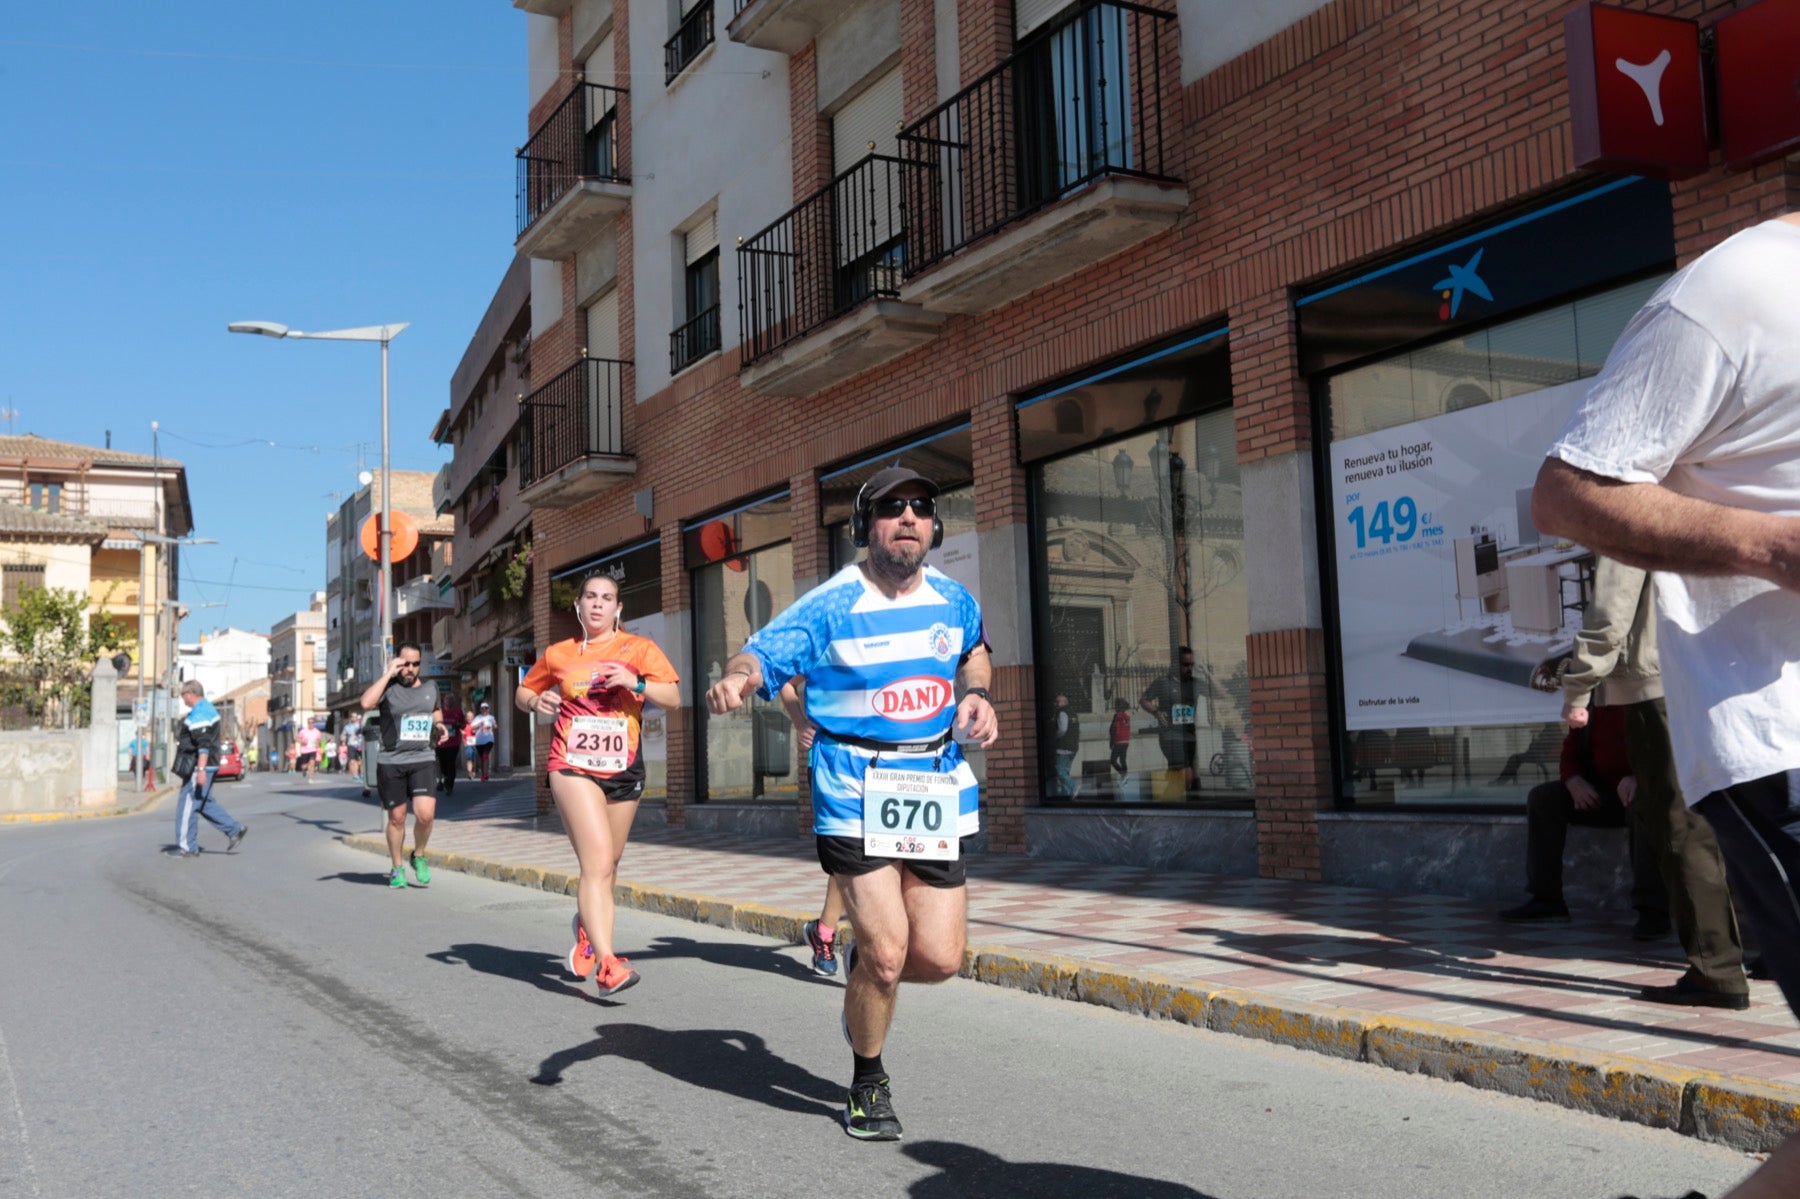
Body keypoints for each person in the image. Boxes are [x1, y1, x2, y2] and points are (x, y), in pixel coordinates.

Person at [1532, 210, 1800, 1199]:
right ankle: (1711, 962)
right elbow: (1568, 494)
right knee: (1667, 834)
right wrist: (1775, 547)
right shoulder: (1732, 294)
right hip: (1778, 735)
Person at [706, 466, 998, 1142]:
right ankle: (868, 1078)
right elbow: (759, 655)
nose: (907, 518)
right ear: (866, 526)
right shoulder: (832, 603)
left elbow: (974, 651)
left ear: (934, 525)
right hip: (850, 787)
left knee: (941, 958)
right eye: (891, 508)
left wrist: (978, 694)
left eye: (920, 508)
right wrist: (734, 679)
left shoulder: (953, 598)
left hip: (931, 784)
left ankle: (864, 975)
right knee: (892, 953)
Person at [1562, 556, 1747, 1007]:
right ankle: (1755, 953)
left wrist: (1578, 686)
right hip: (1729, 674)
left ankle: (1716, 969)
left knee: (1680, 825)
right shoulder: (1709, 491)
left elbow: (1610, 606)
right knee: (1740, 815)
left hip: (1660, 683)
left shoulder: (1634, 498)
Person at [516, 571, 679, 998]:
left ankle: (587, 929)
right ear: (578, 605)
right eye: (590, 597)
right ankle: (609, 963)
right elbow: (522, 693)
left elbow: (674, 698)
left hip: (624, 768)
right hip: (571, 763)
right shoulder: (558, 654)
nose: (597, 604)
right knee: (598, 862)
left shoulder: (638, 649)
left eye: (607, 598)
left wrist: (636, 682)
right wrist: (536, 700)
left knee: (610, 866)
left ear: (618, 608)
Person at [1495, 706, 1667, 935]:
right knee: (1544, 798)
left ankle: (1653, 911)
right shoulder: (1595, 702)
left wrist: (1642, 777)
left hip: (1648, 790)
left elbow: (1671, 747)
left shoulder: (1651, 697)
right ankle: (1547, 900)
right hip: (1602, 794)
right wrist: (1573, 780)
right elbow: (1572, 748)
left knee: (1642, 805)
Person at [359, 642, 442, 889]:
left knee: (425, 815)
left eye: (415, 664)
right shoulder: (388, 688)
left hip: (423, 758)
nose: (411, 669)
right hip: (391, 761)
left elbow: (436, 712)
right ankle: (397, 867)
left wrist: (439, 726)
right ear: (398, 663)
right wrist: (387, 673)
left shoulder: (430, 687)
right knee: (396, 818)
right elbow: (366, 703)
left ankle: (418, 855)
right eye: (406, 663)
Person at [781, 678, 846, 977]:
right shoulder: (825, 639)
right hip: (831, 764)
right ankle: (825, 932)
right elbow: (785, 683)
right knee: (847, 854)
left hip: (885, 764)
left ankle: (844, 934)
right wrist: (800, 722)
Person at [1138, 647, 1234, 795]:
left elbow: (1222, 694)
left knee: (1178, 773)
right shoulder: (1163, 682)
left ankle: (1170, 801)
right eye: (1186, 664)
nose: (1189, 668)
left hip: (1189, 735)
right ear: (1175, 664)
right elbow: (1144, 700)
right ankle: (1173, 799)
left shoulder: (1193, 683)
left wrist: (1206, 672)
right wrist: (1156, 712)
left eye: (1191, 664)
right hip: (1170, 735)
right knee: (1185, 772)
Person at [171, 680, 247, 857]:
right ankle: (234, 830)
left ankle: (186, 847)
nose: (184, 701)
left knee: (187, 806)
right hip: (205, 765)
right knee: (204, 803)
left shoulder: (201, 713)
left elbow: (203, 744)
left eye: (184, 696)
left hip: (199, 766)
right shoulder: (204, 710)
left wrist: (201, 770)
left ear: (190, 694)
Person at [435, 691, 467, 794]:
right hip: (440, 743)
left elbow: (463, 725)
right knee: (443, 763)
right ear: (444, 701)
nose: (449, 701)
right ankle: (445, 777)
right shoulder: (439, 712)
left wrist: (459, 725)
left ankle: (449, 784)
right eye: (447, 699)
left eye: (451, 699)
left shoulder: (458, 712)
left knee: (451, 762)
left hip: (453, 743)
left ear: (454, 701)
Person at [1050, 693, 1079, 798]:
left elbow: (1062, 729)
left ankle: (1073, 785)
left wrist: (1055, 737)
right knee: (1065, 772)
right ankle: (1067, 795)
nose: (1055, 704)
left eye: (1057, 702)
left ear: (1063, 702)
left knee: (1061, 772)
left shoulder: (1062, 713)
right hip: (1073, 748)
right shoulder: (1073, 713)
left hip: (1063, 748)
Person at [470, 701, 498, 781]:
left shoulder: (491, 717)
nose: (484, 710)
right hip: (479, 740)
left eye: (486, 708)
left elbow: (495, 726)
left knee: (485, 755)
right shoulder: (478, 718)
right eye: (482, 708)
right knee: (481, 758)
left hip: (489, 739)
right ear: (480, 709)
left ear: (488, 709)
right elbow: (472, 727)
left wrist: (491, 726)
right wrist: (479, 725)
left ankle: (486, 773)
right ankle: (483, 774)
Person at [1108, 698, 1131, 780]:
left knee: (1113, 760)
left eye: (1115, 705)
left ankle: (1124, 775)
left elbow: (1114, 729)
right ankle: (1125, 777)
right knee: (1123, 760)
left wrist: (1111, 742)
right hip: (1126, 741)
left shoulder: (1117, 716)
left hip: (1118, 741)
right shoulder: (1126, 717)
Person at [295, 720, 323, 784]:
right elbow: (297, 739)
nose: (311, 724)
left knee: (312, 763)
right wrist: (302, 742)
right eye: (309, 722)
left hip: (313, 750)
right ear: (307, 723)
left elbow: (318, 740)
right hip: (304, 750)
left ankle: (311, 778)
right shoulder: (303, 731)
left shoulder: (317, 732)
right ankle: (304, 770)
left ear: (314, 723)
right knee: (304, 766)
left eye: (312, 722)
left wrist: (317, 744)